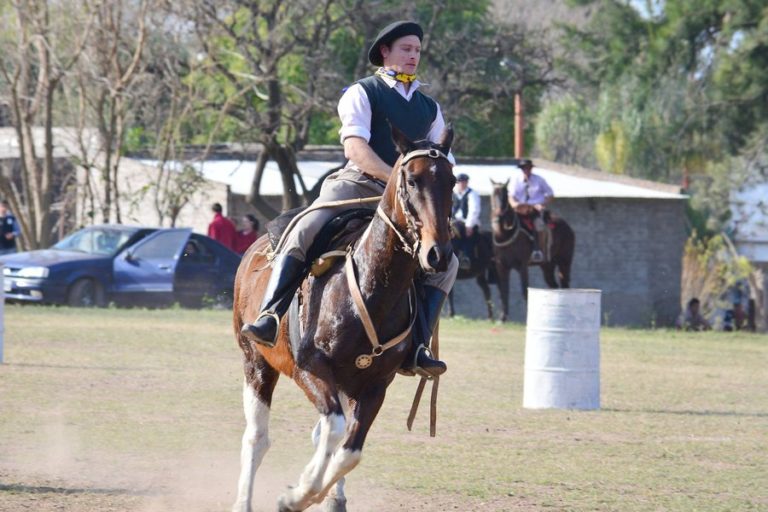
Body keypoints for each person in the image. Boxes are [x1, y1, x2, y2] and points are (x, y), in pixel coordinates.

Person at [240, 20, 458, 378]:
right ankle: (269, 316)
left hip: (407, 200)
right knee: (305, 228)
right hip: (357, 184)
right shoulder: (361, 92)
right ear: (385, 52)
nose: (413, 56)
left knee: (447, 262)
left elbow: (441, 161)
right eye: (406, 49)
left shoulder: (429, 107)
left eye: (417, 50)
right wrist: (396, 181)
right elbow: (355, 149)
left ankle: (417, 347)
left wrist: (447, 190)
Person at [508, 159, 553, 263]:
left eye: (528, 168)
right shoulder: (515, 180)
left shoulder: (539, 180)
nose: (526, 170)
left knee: (538, 225)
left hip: (534, 209)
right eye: (524, 168)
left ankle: (538, 250)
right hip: (519, 209)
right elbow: (511, 196)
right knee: (508, 224)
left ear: (531, 169)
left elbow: (550, 194)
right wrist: (514, 204)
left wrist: (542, 204)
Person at [451, 173, 481, 270]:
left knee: (467, 237)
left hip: (468, 222)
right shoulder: (453, 193)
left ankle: (466, 257)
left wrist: (469, 225)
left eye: (463, 182)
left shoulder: (472, 194)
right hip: (454, 222)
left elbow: (474, 210)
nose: (461, 184)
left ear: (467, 183)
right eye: (459, 182)